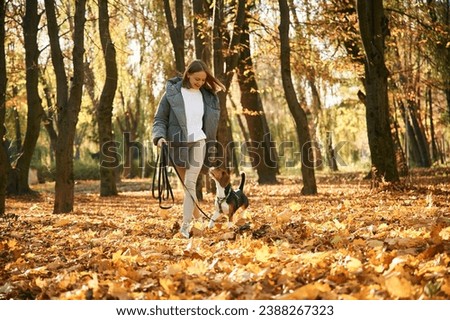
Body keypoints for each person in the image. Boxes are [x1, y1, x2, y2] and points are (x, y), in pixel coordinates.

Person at [152, 59, 224, 238]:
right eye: (196, 79)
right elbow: (160, 119)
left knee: (191, 183)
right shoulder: (173, 93)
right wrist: (159, 137)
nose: (200, 83)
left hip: (199, 140)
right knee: (188, 187)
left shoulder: (207, 95)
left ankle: (185, 226)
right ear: (188, 74)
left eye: (203, 80)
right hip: (177, 144)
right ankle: (198, 220)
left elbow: (210, 122)